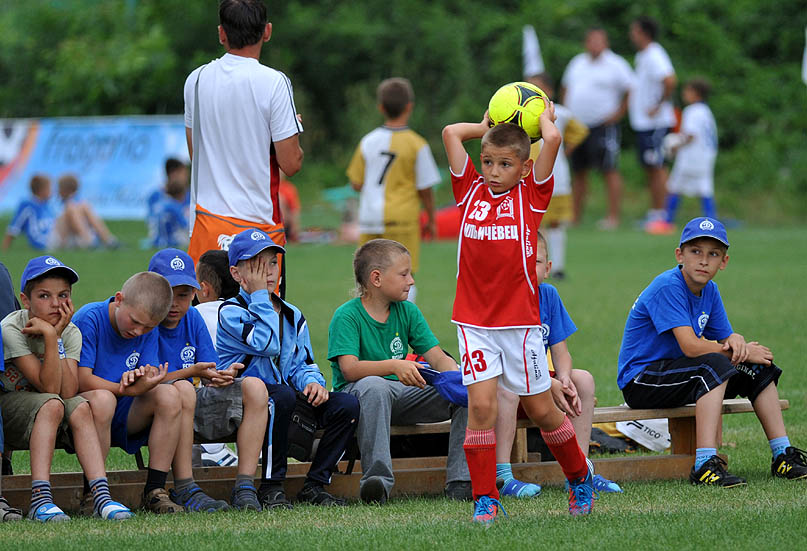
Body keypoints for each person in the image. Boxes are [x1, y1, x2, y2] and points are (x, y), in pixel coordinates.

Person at [442, 104, 595, 524]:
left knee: (543, 411)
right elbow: (451, 133)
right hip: (474, 324)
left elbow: (554, 139)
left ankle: (579, 477)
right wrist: (484, 127)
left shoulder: (531, 197)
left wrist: (543, 117)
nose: (493, 171)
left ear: (525, 168)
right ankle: (485, 499)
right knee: (481, 409)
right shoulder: (468, 190)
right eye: (488, 162)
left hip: (520, 327)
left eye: (505, 164)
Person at [618, 217, 807, 486]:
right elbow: (691, 346)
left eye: (713, 254)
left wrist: (737, 341)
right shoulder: (668, 285)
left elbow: (725, 339)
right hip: (642, 381)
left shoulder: (710, 290)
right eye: (696, 251)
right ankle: (705, 464)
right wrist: (740, 351)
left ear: (724, 262)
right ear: (679, 255)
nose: (704, 261)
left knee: (757, 366)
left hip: (681, 374)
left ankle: (783, 456)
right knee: (715, 366)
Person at [218, 228, 359, 508]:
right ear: (236, 274)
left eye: (273, 263)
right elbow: (268, 343)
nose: (267, 272)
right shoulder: (230, 312)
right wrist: (260, 296)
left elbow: (302, 362)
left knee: (347, 405)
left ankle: (315, 484)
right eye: (256, 266)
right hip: (243, 398)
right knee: (280, 397)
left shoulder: (292, 314)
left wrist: (313, 382)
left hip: (284, 396)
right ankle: (271, 487)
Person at [328, 238, 470, 504]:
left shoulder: (408, 311)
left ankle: (461, 480)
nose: (411, 281)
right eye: (404, 274)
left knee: (468, 391)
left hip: (403, 395)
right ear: (377, 278)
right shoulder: (347, 315)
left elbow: (437, 357)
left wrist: (454, 376)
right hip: (360, 395)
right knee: (375, 387)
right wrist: (394, 365)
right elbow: (349, 369)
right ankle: (377, 482)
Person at [1, 256, 131, 521]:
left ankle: (100, 496)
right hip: (11, 412)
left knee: (80, 407)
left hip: (51, 406)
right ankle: (40, 499)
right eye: (44, 296)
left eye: (63, 295)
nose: (55, 304)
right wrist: (51, 336)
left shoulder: (70, 332)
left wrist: (57, 337)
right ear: (25, 301)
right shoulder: (11, 328)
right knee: (51, 403)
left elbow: (69, 392)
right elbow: (49, 388)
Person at [494, 232, 622, 497]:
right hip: (509, 388)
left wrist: (563, 377)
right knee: (506, 389)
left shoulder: (548, 296)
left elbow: (561, 351)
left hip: (541, 386)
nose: (529, 268)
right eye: (521, 261)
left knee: (582, 380)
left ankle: (580, 471)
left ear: (548, 268)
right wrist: (547, 383)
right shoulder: (502, 299)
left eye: (536, 262)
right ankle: (502, 476)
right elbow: (508, 362)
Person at [184, 0, 303, 265]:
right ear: (267, 31)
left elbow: (197, 155)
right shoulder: (275, 82)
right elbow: (291, 164)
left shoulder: (196, 79)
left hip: (206, 225)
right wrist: (290, 132)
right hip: (258, 228)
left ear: (221, 33)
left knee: (207, 294)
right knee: (259, 294)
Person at [148, 248, 267, 510]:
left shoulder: (193, 316)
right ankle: (185, 486)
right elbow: (148, 380)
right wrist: (193, 372)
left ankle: (245, 486)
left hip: (194, 399)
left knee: (255, 387)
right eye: (168, 294)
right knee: (182, 389)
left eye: (183, 295)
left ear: (195, 292)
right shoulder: (146, 321)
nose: (174, 303)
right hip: (155, 408)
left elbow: (207, 368)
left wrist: (220, 375)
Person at [74, 272, 190, 513]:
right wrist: (123, 388)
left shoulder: (148, 330)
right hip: (86, 410)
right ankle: (92, 493)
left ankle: (155, 491)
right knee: (104, 399)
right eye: (135, 322)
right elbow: (81, 380)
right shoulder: (90, 317)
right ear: (119, 299)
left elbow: (147, 370)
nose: (138, 331)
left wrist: (146, 379)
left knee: (169, 395)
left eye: (148, 327)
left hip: (125, 409)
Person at [347, 77, 441, 302]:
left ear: (381, 108)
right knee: (404, 275)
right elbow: (425, 188)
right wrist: (431, 219)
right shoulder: (417, 144)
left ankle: (369, 320)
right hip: (402, 220)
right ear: (409, 107)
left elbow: (356, 183)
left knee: (369, 277)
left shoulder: (368, 141)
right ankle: (403, 321)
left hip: (370, 218)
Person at [561, 27, 633, 230]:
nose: (595, 44)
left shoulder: (616, 64)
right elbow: (565, 88)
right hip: (577, 126)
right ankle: (575, 217)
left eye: (599, 40)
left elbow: (630, 89)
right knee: (578, 171)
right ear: (586, 43)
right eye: (591, 40)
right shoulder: (577, 63)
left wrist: (618, 114)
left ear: (605, 43)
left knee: (609, 169)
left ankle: (613, 217)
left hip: (603, 126)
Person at [527, 73, 589, 279]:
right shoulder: (521, 115)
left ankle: (558, 267)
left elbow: (580, 131)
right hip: (529, 176)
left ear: (549, 91)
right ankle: (535, 265)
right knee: (535, 222)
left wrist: (564, 151)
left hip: (557, 176)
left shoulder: (560, 113)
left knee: (556, 221)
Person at [628, 15, 678, 230]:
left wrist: (658, 105)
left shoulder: (655, 53)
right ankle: (655, 212)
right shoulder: (643, 55)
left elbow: (670, 80)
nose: (631, 35)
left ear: (644, 33)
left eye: (634, 31)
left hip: (656, 123)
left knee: (658, 166)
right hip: (643, 123)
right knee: (650, 167)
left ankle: (664, 215)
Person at [194, 249, 242, 467]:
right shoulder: (247, 313)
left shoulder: (194, 315)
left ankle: (211, 449)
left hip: (207, 400)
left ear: (204, 289)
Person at [663, 79, 718, 225]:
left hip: (692, 157)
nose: (684, 94)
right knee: (705, 188)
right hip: (706, 156)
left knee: (675, 185)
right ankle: (712, 222)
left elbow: (691, 135)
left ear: (696, 93)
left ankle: (667, 221)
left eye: (687, 90)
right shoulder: (706, 111)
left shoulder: (692, 111)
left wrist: (674, 146)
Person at [148, 180, 190, 248]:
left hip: (155, 239)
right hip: (170, 241)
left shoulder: (159, 203)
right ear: (181, 194)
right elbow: (185, 225)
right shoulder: (175, 206)